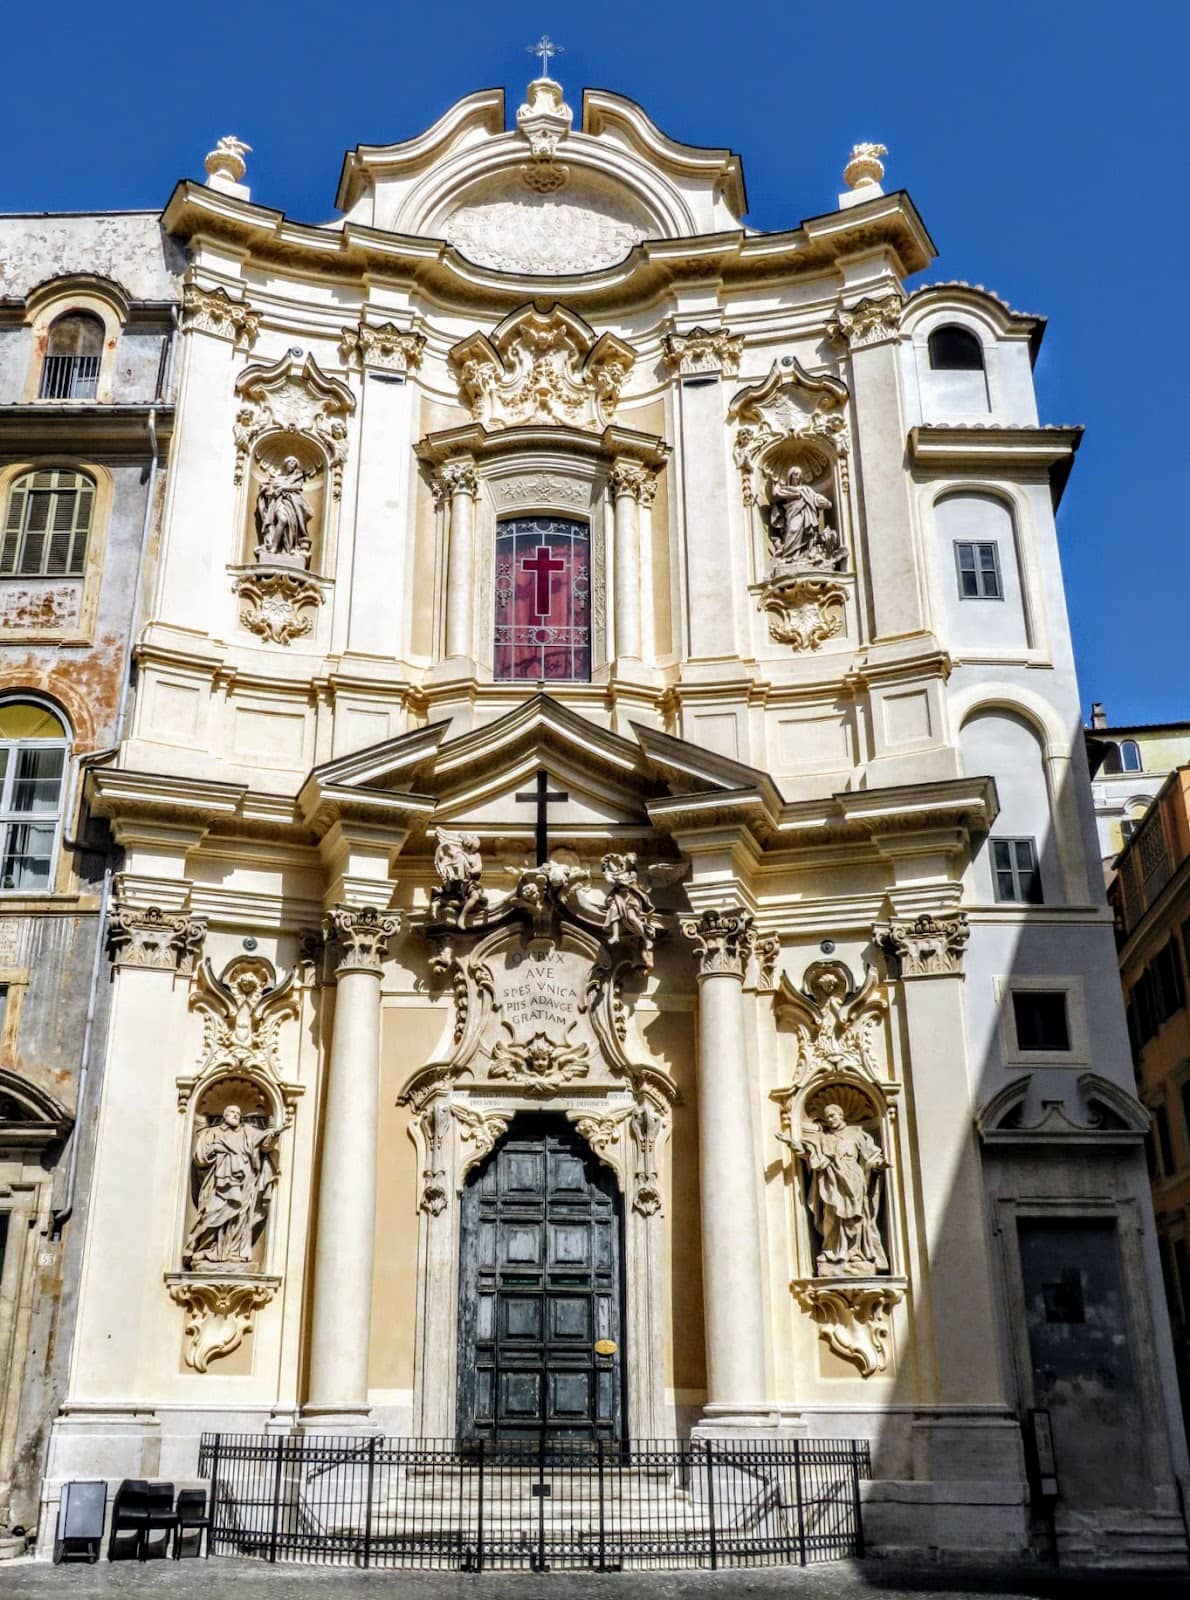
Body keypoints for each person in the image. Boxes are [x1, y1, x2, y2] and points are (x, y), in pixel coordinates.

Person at [796, 1102, 888, 1276]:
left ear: (841, 1115)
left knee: (855, 1217)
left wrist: (877, 1163)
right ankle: (833, 1251)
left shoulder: (856, 1134)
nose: (830, 1120)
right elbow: (812, 1152)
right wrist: (798, 1148)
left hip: (854, 1178)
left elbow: (870, 1154)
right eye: (827, 1117)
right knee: (831, 1214)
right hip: (831, 1179)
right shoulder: (824, 1138)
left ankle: (856, 1252)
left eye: (833, 1115)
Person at [183, 1104, 279, 1269]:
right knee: (212, 1214)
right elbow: (200, 1157)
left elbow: (264, 1143)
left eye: (238, 1113)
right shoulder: (212, 1133)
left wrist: (273, 1134)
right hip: (217, 1184)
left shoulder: (248, 1131)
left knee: (241, 1218)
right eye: (232, 1112)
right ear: (225, 1115)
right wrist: (216, 1149)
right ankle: (203, 1248)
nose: (236, 1115)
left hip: (245, 1182)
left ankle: (234, 1253)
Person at [768, 465, 834, 564]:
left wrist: (825, 502)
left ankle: (803, 555)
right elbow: (775, 494)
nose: (797, 477)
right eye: (795, 474)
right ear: (790, 476)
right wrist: (773, 484)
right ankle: (788, 556)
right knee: (793, 530)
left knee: (807, 533)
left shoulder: (806, 489)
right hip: (793, 514)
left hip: (805, 515)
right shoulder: (787, 489)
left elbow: (815, 498)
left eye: (799, 474)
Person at [255, 455, 314, 562]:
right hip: (278, 502)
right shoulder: (279, 478)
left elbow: (297, 486)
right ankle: (273, 547)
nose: (292, 465)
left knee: (289, 524)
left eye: (294, 463)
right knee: (282, 519)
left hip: (291, 503)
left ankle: (287, 548)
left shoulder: (297, 478)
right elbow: (267, 488)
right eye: (290, 462)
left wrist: (283, 487)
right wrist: (269, 490)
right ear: (286, 464)